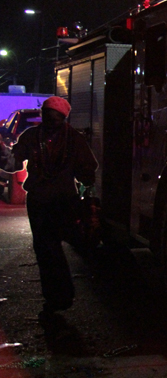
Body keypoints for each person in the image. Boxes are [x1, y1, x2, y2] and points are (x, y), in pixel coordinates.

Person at [1, 97, 97, 321]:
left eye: (53, 117)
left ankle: (59, 297)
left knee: (48, 249)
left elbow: (88, 171)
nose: (49, 120)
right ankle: (58, 297)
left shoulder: (69, 139)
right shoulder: (43, 137)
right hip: (47, 201)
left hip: (56, 202)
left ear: (62, 118)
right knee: (48, 250)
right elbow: (12, 164)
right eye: (47, 115)